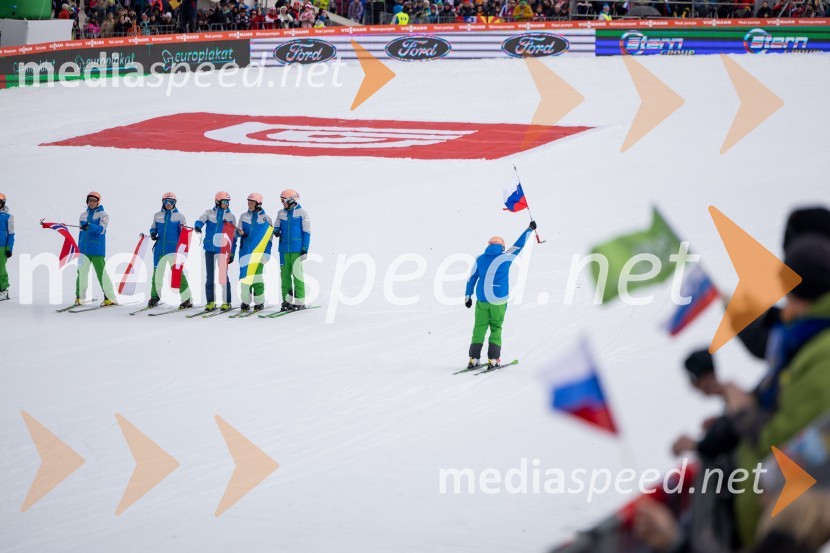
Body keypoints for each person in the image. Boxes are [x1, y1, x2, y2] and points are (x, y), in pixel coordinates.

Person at [729, 233, 830, 547]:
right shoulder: (801, 336)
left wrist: (743, 413)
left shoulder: (821, 352)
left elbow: (785, 441)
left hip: (786, 527)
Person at [464, 221, 536, 369]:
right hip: (498, 300)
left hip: (482, 299)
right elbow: (519, 244)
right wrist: (530, 229)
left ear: (489, 244)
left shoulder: (480, 258)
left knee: (479, 327)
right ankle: (494, 359)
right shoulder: (506, 256)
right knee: (496, 327)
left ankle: (473, 359)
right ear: (503, 246)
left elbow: (472, 278)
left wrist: (468, 296)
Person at [194, 191, 238, 312]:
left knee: (223, 277)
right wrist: (198, 226)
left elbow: (234, 237)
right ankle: (210, 302)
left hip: (222, 250)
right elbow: (201, 220)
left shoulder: (231, 216)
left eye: (228, 202)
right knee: (209, 277)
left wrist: (232, 252)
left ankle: (226, 302)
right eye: (224, 202)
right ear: (217, 202)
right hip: (209, 249)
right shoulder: (209, 212)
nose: (226, 204)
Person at [148, 192, 192, 310]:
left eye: (171, 202)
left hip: (173, 250)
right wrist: (153, 233)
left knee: (178, 274)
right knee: (157, 274)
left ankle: (186, 298)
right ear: (163, 202)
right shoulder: (157, 215)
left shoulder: (179, 216)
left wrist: (186, 231)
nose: (168, 204)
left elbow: (184, 233)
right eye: (166, 202)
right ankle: (154, 297)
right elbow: (153, 227)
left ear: (174, 203)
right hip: (159, 249)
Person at [76, 191, 117, 307]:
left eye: (94, 200)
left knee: (101, 273)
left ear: (98, 202)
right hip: (84, 249)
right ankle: (80, 297)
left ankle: (109, 297)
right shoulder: (83, 215)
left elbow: (101, 230)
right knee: (81, 273)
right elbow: (80, 233)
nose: (91, 202)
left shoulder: (103, 214)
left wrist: (89, 226)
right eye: (89, 200)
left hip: (96, 249)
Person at [275, 188, 311, 311]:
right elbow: (277, 226)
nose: (282, 203)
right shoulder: (281, 213)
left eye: (283, 200)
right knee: (284, 275)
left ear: (291, 200)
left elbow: (306, 232)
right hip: (284, 249)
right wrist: (275, 231)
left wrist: (305, 249)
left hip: (297, 249)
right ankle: (287, 300)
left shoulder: (302, 213)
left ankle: (300, 300)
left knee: (297, 274)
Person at [237, 193, 273, 312]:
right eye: (248, 202)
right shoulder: (243, 216)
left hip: (258, 253)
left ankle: (259, 302)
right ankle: (245, 302)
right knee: (244, 278)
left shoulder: (266, 219)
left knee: (256, 277)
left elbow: (269, 239)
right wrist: (239, 232)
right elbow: (237, 231)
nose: (249, 204)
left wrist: (266, 253)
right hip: (245, 252)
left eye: (252, 202)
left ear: (258, 204)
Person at [0, 193, 14, 301]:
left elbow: (11, 233)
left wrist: (9, 249)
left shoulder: (8, 217)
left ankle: (4, 290)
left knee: (1, 268)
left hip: (2, 246)